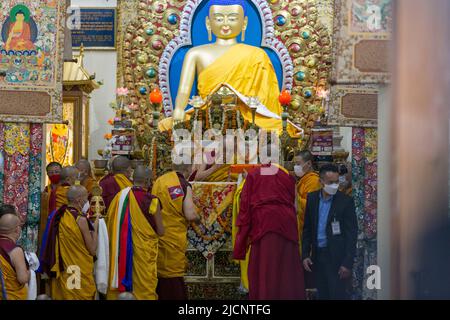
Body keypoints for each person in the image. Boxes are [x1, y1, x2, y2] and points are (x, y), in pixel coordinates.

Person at [158, 0, 300, 136]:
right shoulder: (196, 53)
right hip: (206, 116)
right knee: (165, 125)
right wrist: (179, 109)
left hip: (245, 117)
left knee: (275, 127)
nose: (225, 24)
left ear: (244, 23)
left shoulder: (257, 55)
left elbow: (265, 99)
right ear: (208, 23)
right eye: (219, 19)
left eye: (232, 18)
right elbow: (183, 90)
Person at [233, 145, 305, 300]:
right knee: (286, 269)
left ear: (261, 157)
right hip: (286, 225)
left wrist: (243, 237)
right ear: (277, 158)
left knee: (265, 267)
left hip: (263, 224)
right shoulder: (287, 176)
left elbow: (244, 206)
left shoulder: (254, 174)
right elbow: (296, 206)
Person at [106, 166, 164, 300]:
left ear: (133, 179)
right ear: (149, 181)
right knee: (144, 288)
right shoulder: (152, 201)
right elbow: (161, 231)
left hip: (120, 251)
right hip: (143, 253)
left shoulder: (119, 197)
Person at [302, 164, 357, 300]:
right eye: (330, 182)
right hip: (317, 257)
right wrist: (305, 255)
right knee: (322, 293)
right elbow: (307, 229)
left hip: (337, 259)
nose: (334, 185)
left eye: (337, 182)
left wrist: (347, 263)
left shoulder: (345, 202)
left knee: (337, 295)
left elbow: (352, 234)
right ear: (321, 182)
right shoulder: (312, 199)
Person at [152, 163, 200, 300]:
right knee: (172, 278)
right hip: (174, 237)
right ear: (188, 169)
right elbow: (190, 214)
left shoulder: (160, 181)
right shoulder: (184, 185)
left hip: (159, 234)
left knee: (160, 275)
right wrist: (199, 219)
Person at [41, 185, 98, 300]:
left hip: (64, 267)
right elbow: (92, 249)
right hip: (76, 269)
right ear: (79, 200)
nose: (87, 201)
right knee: (75, 296)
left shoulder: (59, 215)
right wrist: (95, 227)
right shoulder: (80, 219)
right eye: (86, 199)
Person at [293, 150, 321, 253]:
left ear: (308, 164)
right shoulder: (303, 180)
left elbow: (311, 206)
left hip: (309, 231)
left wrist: (295, 196)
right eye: (295, 164)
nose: (295, 167)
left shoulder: (313, 181)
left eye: (298, 164)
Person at [0, 208, 30, 300]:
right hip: (11, 296)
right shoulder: (15, 251)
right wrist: (29, 272)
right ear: (17, 229)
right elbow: (23, 279)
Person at [39, 162, 62, 251]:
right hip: (48, 223)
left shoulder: (66, 189)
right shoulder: (46, 190)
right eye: (51, 172)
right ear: (47, 174)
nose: (54, 174)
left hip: (61, 223)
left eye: (57, 172)